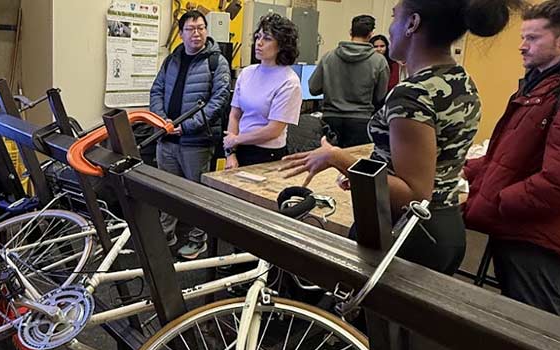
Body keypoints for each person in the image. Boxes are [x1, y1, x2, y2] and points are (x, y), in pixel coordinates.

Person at [281, 0, 525, 276]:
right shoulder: (460, 79)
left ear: (412, 24)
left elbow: (415, 194)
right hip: (442, 225)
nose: (389, 28)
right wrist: (366, 177)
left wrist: (337, 158)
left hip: (407, 233)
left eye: (396, 17)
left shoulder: (412, 94)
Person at [463, 0, 560, 350]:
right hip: (516, 220)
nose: (522, 46)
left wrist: (496, 202)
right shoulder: (543, 85)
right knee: (518, 304)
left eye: (532, 38)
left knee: (536, 311)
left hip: (537, 227)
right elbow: (511, 156)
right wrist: (469, 169)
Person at [149, 10, 231, 259]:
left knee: (196, 194)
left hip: (196, 141)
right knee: (166, 191)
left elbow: (219, 101)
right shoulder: (172, 59)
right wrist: (162, 121)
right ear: (182, 33)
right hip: (167, 139)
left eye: (201, 28)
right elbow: (156, 90)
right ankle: (166, 234)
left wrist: (186, 126)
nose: (196, 33)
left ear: (206, 30)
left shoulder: (217, 62)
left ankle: (198, 240)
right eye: (190, 29)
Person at [223, 13, 302, 168]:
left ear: (282, 45)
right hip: (239, 148)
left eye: (267, 39)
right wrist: (230, 153)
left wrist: (236, 139)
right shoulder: (247, 73)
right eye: (258, 37)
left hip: (267, 154)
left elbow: (273, 130)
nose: (259, 43)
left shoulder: (289, 82)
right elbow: (235, 115)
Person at [308, 15, 390, 147]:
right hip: (361, 123)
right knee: (352, 165)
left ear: (350, 32)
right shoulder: (379, 61)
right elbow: (380, 97)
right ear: (370, 34)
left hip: (330, 121)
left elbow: (313, 88)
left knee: (327, 165)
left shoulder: (328, 57)